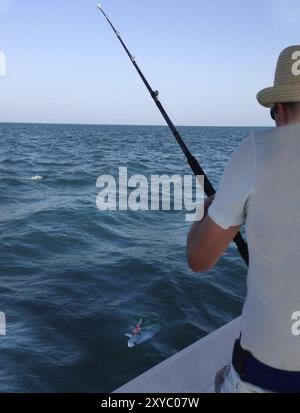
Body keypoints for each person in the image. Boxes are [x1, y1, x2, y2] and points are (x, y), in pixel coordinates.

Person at [187, 45, 300, 393]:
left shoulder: (257, 148)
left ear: (278, 110)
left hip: (271, 379)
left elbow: (199, 260)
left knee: (223, 380)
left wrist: (205, 210)